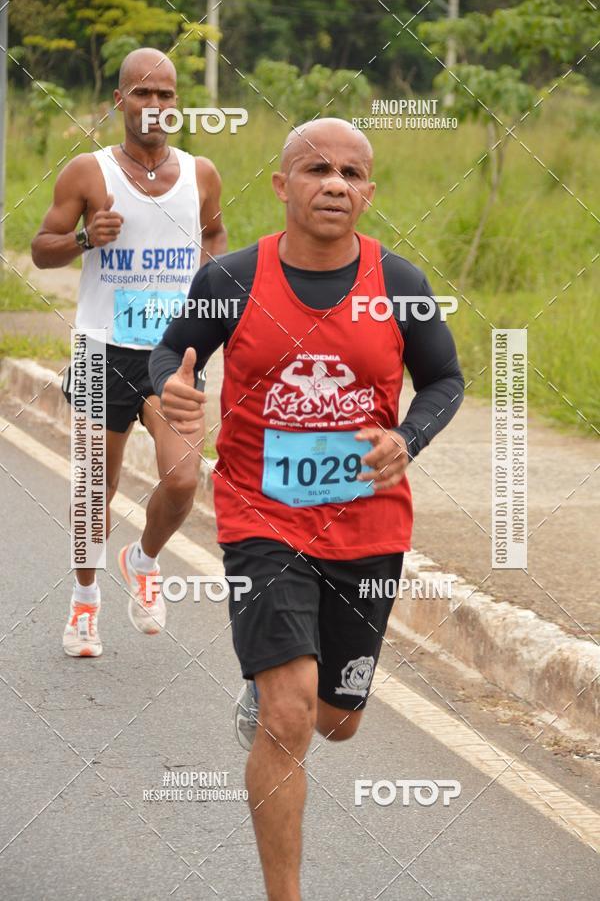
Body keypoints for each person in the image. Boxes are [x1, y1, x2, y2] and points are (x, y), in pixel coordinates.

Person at [150, 118, 464, 900]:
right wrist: (172, 387)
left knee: (335, 720)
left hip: (368, 523)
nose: (334, 184)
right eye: (317, 169)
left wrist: (407, 438)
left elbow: (445, 382)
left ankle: (267, 690)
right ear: (281, 185)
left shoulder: (400, 283)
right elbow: (169, 354)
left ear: (369, 193)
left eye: (351, 173)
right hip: (261, 514)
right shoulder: (229, 279)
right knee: (288, 718)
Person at [31, 48, 226, 657]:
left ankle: (143, 558)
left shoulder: (201, 174)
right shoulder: (87, 173)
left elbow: (215, 233)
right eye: (142, 93)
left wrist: (211, 288)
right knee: (96, 487)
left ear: (177, 103)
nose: (155, 105)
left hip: (175, 351)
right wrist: (85, 237)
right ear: (120, 101)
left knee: (183, 478)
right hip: (102, 348)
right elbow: (41, 248)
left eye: (165, 94)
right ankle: (84, 602)